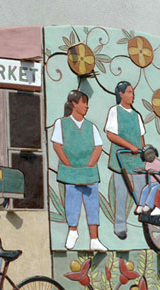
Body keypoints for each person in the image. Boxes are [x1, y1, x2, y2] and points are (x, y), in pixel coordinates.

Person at [51, 90, 107, 251]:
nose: (86, 106)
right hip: (71, 171)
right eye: (83, 102)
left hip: (88, 172)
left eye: (87, 103)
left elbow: (98, 147)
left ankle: (94, 238)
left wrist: (90, 164)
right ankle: (72, 231)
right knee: (72, 203)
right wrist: (68, 164)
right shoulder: (61, 123)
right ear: (74, 104)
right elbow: (57, 145)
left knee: (92, 205)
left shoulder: (91, 126)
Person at [105, 81, 146, 240]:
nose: (132, 95)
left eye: (133, 92)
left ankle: (147, 223)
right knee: (121, 194)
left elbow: (141, 138)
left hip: (136, 161)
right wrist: (130, 146)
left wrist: (141, 150)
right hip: (121, 160)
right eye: (129, 92)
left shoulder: (137, 115)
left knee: (142, 194)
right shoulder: (115, 111)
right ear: (121, 94)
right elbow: (111, 135)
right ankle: (120, 226)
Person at [135, 144, 160, 214]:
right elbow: (147, 170)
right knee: (145, 189)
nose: (150, 156)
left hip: (159, 183)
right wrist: (141, 170)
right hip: (151, 183)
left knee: (154, 190)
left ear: (155, 153)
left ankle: (148, 205)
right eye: (147, 155)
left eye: (151, 153)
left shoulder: (158, 162)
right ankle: (141, 205)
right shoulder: (147, 163)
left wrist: (154, 171)